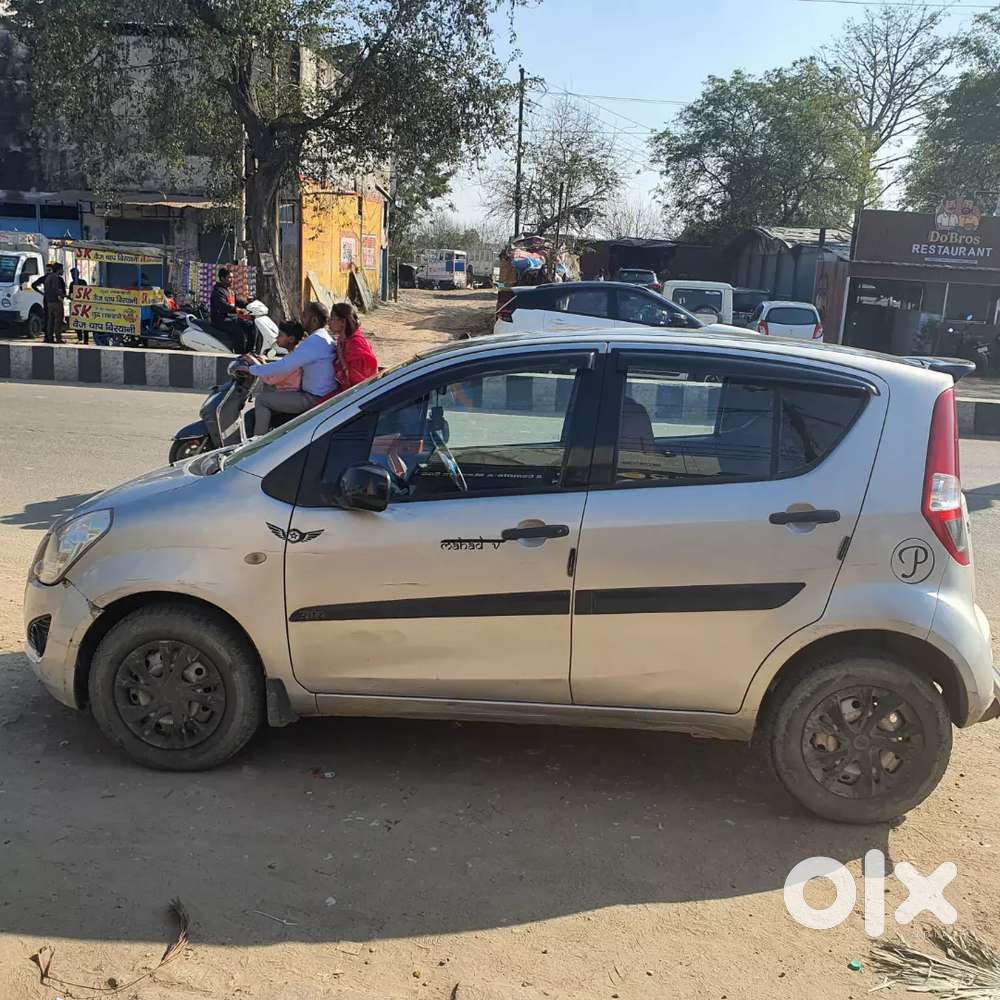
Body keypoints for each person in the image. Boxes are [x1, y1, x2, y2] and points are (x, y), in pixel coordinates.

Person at [241, 310, 336, 435]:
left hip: (310, 397)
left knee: (261, 400)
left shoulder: (313, 342)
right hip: (310, 394)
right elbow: (280, 367)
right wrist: (261, 365)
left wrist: (252, 368)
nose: (302, 318)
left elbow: (281, 369)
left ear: (314, 320)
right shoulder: (318, 340)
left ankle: (256, 444)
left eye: (305, 315)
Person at [330, 301, 378, 392]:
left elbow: (359, 381)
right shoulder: (342, 339)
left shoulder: (356, 344)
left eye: (332, 319)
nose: (329, 322)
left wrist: (341, 358)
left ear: (343, 322)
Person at [256, 321, 306, 392]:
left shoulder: (292, 358)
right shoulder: (295, 352)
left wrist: (255, 364)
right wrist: (264, 364)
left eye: (280, 335)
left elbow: (270, 379)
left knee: (260, 399)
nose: (277, 337)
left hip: (290, 391)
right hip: (288, 387)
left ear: (291, 339)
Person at [209, 267, 248, 349]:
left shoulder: (230, 291)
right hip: (220, 320)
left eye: (232, 277)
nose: (232, 280)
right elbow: (223, 306)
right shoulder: (218, 291)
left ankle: (250, 350)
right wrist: (237, 310)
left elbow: (240, 301)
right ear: (222, 278)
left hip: (230, 318)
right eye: (229, 278)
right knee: (239, 332)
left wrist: (250, 304)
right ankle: (239, 355)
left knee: (249, 324)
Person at [32, 262, 66, 344]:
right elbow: (56, 289)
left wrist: (43, 293)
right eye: (61, 269)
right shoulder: (55, 278)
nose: (63, 271)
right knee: (58, 321)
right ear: (58, 269)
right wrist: (64, 295)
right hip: (56, 301)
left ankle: (49, 338)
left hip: (48, 302)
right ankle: (58, 338)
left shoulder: (47, 277)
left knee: (50, 320)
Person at [68, 267, 89, 344]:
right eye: (72, 274)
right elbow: (70, 294)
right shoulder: (71, 284)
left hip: (84, 305)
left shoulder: (83, 282)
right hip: (75, 306)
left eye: (74, 274)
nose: (73, 276)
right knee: (77, 323)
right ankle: (80, 338)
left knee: (85, 323)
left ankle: (86, 340)